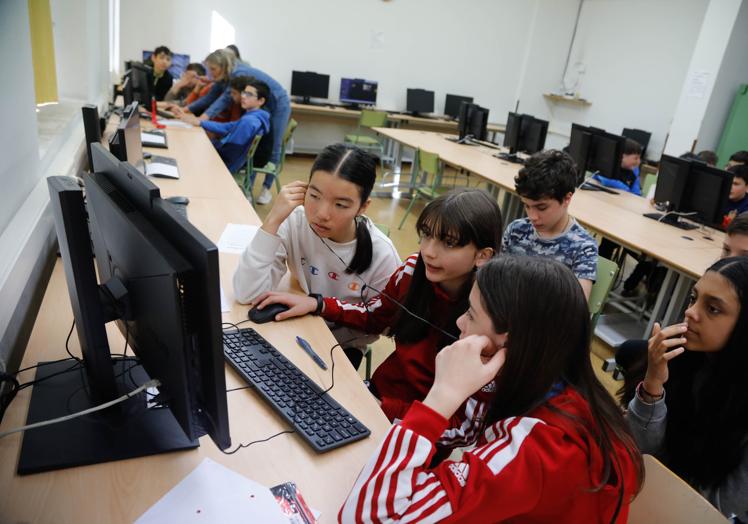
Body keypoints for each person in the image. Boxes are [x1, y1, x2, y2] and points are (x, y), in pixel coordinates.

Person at [339, 256, 643, 522]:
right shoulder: (555, 389)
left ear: (510, 341)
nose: (459, 321)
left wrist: (440, 399)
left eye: (471, 314)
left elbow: (368, 518)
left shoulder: (541, 445)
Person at [254, 189, 503, 445]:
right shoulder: (413, 271)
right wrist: (317, 304)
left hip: (418, 437)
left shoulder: (490, 322)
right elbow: (375, 315)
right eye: (426, 235)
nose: (428, 251)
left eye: (448, 243)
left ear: (483, 255)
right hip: (375, 396)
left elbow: (463, 429)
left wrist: (383, 409)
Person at [233, 144, 400, 367]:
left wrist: (322, 310)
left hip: (341, 347)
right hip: (296, 327)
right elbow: (247, 292)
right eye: (314, 196)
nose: (322, 214)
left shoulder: (382, 255)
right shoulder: (294, 221)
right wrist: (272, 220)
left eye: (340, 204)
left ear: (363, 207)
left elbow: (385, 324)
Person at [625, 256, 748, 521]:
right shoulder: (684, 362)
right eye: (694, 298)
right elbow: (638, 451)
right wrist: (653, 385)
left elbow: (716, 512)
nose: (691, 312)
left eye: (713, 309)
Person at [187, 50, 291, 204]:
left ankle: (266, 189)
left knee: (273, 146)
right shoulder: (226, 78)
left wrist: (202, 119)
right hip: (259, 109)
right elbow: (212, 99)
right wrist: (189, 111)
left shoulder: (237, 74)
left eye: (213, 69)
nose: (211, 73)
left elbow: (222, 101)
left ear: (224, 66)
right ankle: (248, 188)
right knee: (254, 139)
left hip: (279, 102)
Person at [503, 149, 598, 298]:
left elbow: (576, 310)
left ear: (567, 199)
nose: (532, 216)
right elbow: (497, 282)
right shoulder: (516, 230)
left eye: (542, 207)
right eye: (527, 206)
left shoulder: (583, 248)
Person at [180, 77, 270, 174]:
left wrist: (210, 148)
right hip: (229, 161)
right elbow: (228, 127)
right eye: (244, 92)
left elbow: (231, 152)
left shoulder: (249, 121)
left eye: (249, 95)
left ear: (261, 101)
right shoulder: (256, 117)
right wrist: (201, 122)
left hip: (225, 166)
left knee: (187, 154)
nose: (243, 96)